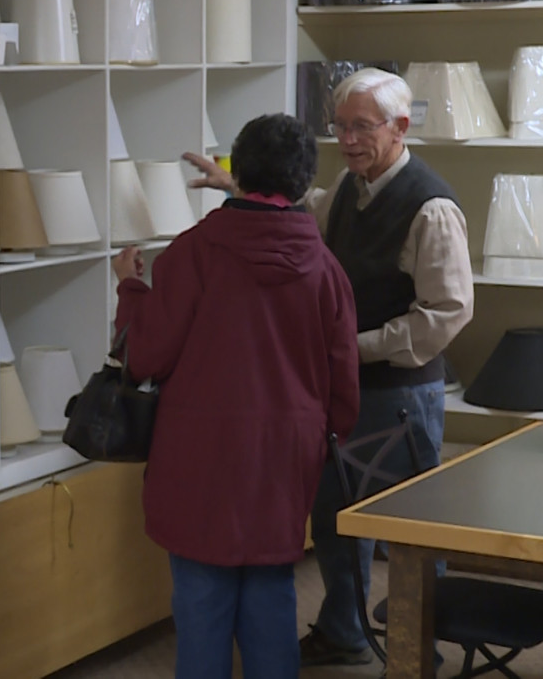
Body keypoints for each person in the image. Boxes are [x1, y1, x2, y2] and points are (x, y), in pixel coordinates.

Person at [185, 68, 475, 666]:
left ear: (400, 127)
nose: (346, 139)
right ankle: (343, 633)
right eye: (339, 127)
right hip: (342, 388)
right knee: (338, 517)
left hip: (400, 394)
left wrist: (354, 346)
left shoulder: (432, 207)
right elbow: (305, 209)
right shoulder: (348, 186)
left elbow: (446, 313)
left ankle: (421, 648)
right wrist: (233, 184)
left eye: (360, 127)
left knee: (409, 528)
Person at [112, 113, 360, 679]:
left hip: (198, 452)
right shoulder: (326, 269)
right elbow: (343, 383)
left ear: (238, 171)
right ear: (302, 183)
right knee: (273, 595)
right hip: (284, 456)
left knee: (201, 602)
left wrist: (130, 287)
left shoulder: (190, 255)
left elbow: (144, 356)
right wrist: (321, 444)